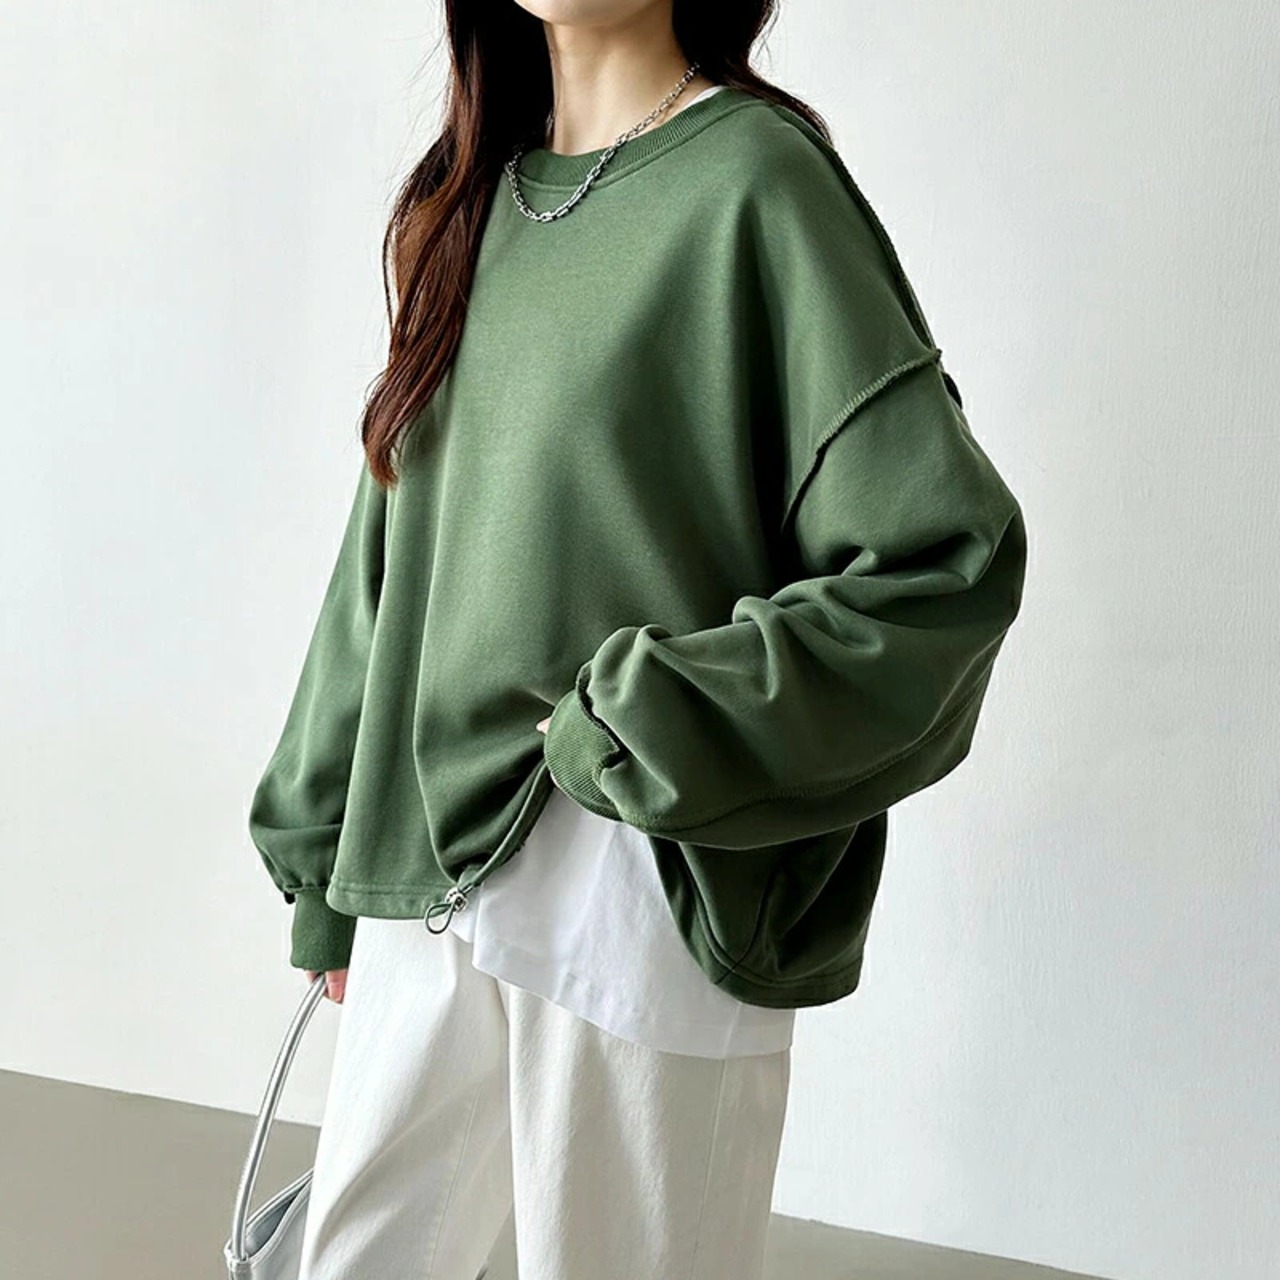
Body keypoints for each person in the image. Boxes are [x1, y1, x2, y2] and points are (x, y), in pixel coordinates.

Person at [245, 3, 1028, 1278]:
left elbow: (942, 564)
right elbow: (385, 562)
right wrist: (323, 856)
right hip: (425, 872)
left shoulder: (756, 185)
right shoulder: (465, 202)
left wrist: (656, 715)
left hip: (637, 883)